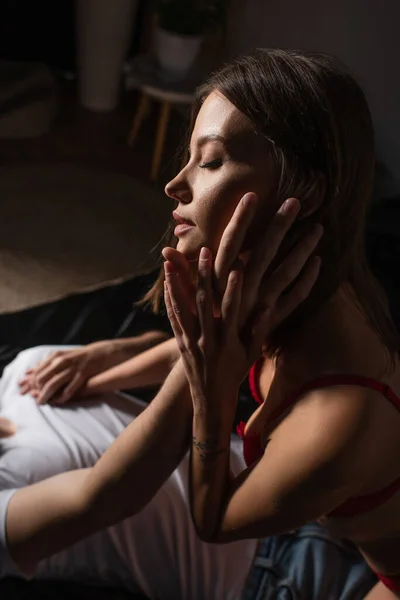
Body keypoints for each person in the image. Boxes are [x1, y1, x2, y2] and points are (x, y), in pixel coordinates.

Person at [0, 47, 382, 599]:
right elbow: (103, 499)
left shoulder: (18, 373)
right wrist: (209, 347)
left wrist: (117, 352)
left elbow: (193, 360)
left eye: (207, 160)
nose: (172, 186)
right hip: (268, 570)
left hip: (282, 485)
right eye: (202, 160)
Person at [160, 49, 400, 600]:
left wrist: (211, 394)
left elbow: (212, 523)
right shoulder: (302, 285)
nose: (176, 185)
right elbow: (230, 341)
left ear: (307, 192)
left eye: (211, 161)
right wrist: (111, 357)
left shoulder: (340, 418)